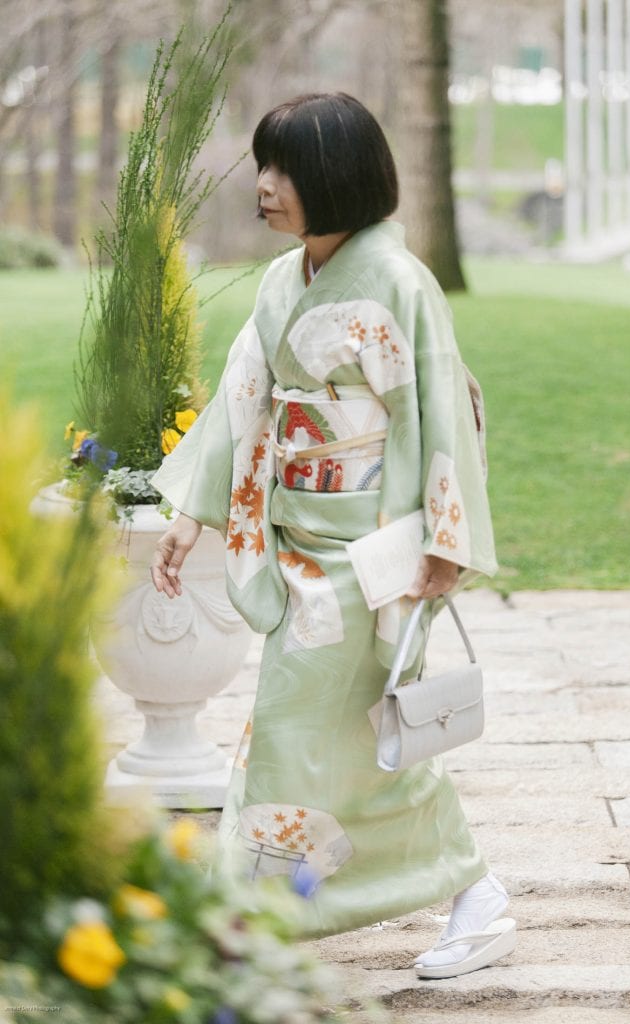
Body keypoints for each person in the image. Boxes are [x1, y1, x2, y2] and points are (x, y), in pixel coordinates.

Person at [150, 92, 515, 979]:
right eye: (264, 167)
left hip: (373, 551)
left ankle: (256, 915)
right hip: (299, 541)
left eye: (285, 170)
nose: (264, 186)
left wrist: (443, 540)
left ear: (336, 177)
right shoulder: (284, 281)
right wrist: (192, 512)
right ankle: (471, 894)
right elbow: (242, 400)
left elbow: (440, 411)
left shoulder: (398, 280)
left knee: (290, 724)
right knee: (356, 739)